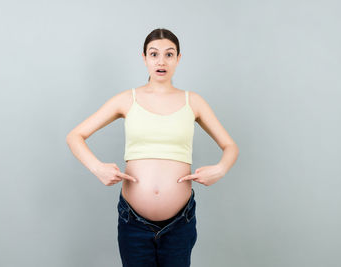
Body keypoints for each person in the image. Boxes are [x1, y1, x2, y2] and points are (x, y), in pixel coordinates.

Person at [66, 28, 239, 267]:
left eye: (169, 54)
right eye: (154, 54)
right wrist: (97, 168)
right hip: (133, 222)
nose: (161, 61)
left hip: (180, 222)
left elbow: (230, 146)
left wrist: (220, 169)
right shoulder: (127, 99)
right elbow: (75, 135)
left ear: (178, 58)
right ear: (144, 58)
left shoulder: (193, 101)